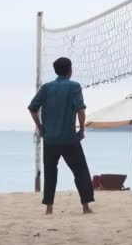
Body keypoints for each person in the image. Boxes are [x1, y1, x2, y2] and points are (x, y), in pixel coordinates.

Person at [28, 57, 94, 215]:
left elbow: (32, 108)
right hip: (69, 138)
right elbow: (81, 110)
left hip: (50, 139)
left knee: (50, 172)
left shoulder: (46, 88)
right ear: (70, 70)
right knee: (80, 171)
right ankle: (85, 207)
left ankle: (49, 208)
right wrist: (82, 129)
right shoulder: (74, 86)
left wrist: (41, 128)